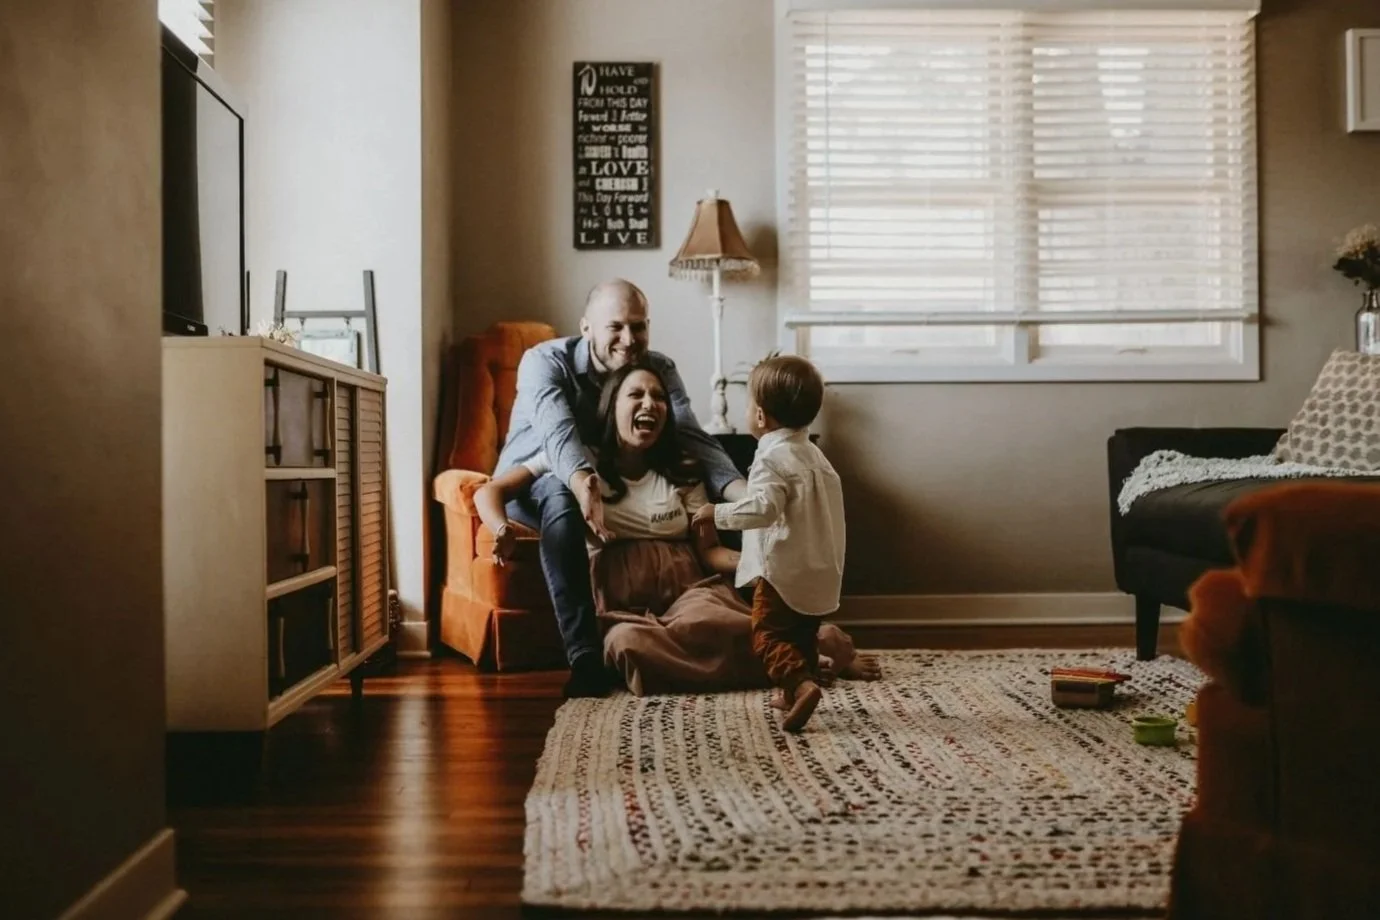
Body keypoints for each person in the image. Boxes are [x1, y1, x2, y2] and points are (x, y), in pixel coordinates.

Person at [475, 362, 878, 697]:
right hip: (623, 607)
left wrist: (770, 567)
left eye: (659, 397)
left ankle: (801, 656)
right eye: (636, 394)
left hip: (691, 592)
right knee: (626, 647)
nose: (650, 403)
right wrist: (500, 528)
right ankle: (795, 662)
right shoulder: (576, 459)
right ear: (610, 404)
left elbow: (710, 554)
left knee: (712, 625)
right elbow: (490, 490)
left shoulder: (683, 467)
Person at [493, 280, 747, 697]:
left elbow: (690, 435)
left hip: (599, 483)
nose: (629, 340)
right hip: (537, 483)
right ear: (586, 328)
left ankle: (763, 628)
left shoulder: (657, 366)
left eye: (639, 326)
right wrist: (582, 484)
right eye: (615, 327)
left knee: (717, 498)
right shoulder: (544, 361)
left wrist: (747, 496)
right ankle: (584, 658)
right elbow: (558, 436)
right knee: (561, 494)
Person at [692, 354, 844, 732]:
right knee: (802, 633)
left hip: (782, 572)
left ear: (760, 416)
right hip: (820, 571)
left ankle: (801, 684)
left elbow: (762, 509)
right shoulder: (817, 458)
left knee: (767, 634)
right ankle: (793, 690)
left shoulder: (771, 458)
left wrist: (717, 513)